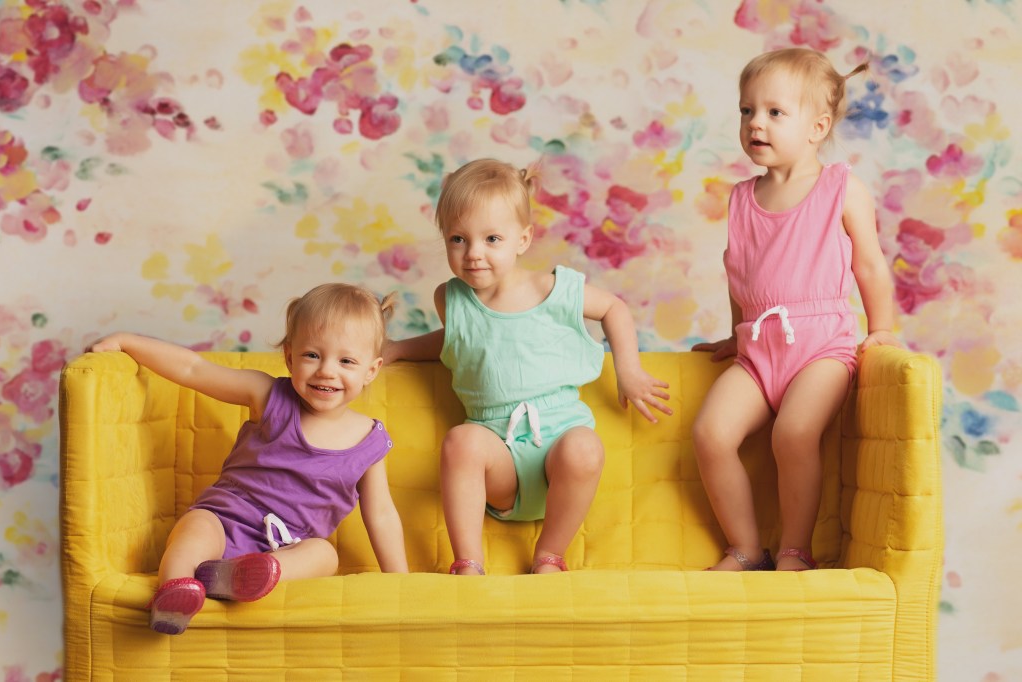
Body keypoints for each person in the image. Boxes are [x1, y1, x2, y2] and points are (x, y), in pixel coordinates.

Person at [384, 158, 672, 575]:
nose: (473, 254)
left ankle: (549, 554)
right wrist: (399, 349)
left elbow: (614, 308)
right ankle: (468, 562)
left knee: (585, 447)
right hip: (497, 457)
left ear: (523, 239)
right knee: (461, 442)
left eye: (492, 239)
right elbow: (458, 342)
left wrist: (629, 371)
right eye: (458, 239)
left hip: (559, 453)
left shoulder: (552, 289)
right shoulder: (451, 299)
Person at [87, 283, 408, 634]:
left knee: (325, 555)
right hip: (223, 520)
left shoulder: (369, 441)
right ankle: (174, 592)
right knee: (195, 528)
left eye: (346, 361)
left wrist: (403, 585)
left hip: (287, 547)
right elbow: (194, 369)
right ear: (289, 357)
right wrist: (128, 342)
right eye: (312, 355)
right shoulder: (268, 395)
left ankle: (243, 576)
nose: (326, 371)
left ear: (371, 370)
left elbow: (381, 515)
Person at [692, 48, 901, 571]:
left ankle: (794, 549)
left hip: (820, 347)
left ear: (817, 127)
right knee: (710, 435)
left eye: (774, 112)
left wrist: (882, 328)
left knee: (793, 434)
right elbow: (741, 275)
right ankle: (745, 547)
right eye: (747, 110)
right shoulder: (742, 198)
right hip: (758, 351)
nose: (755, 123)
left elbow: (869, 265)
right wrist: (737, 334)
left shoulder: (841, 189)